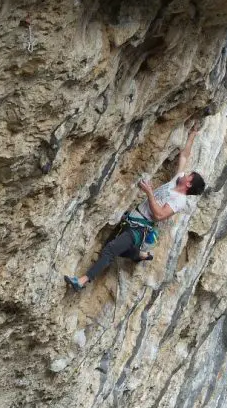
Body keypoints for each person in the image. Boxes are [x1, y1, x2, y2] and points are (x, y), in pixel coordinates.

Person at [65, 123, 206, 290]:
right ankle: (140, 255)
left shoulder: (179, 200)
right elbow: (184, 156)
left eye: (188, 175)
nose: (185, 173)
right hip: (134, 217)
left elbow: (160, 215)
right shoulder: (177, 180)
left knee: (110, 249)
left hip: (140, 228)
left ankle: (81, 282)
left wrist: (149, 193)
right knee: (117, 247)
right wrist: (193, 134)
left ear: (188, 183)